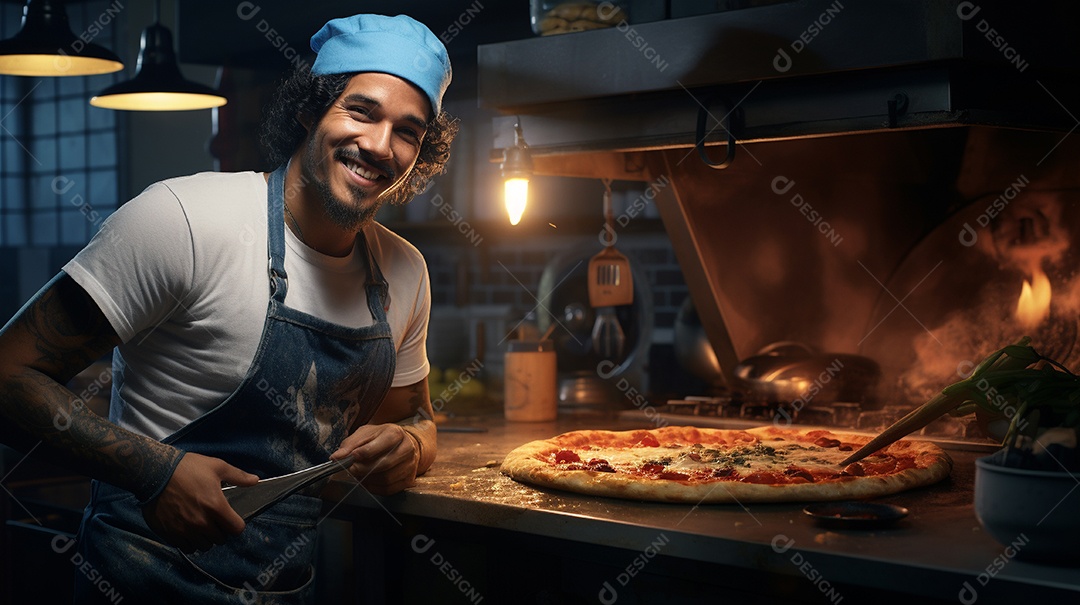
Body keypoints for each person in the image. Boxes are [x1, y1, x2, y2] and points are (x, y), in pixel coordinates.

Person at [0, 13, 457, 603]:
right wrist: (154, 470)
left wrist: (413, 445)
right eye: (361, 111)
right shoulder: (183, 220)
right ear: (308, 110)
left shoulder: (403, 270)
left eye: (408, 132)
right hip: (136, 583)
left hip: (287, 589)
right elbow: (6, 375)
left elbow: (414, 416)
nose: (378, 145)